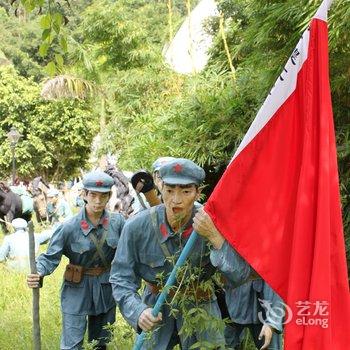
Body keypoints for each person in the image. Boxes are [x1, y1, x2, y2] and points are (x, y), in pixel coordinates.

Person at [110, 158, 226, 349]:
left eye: (186, 191)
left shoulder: (213, 223)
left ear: (198, 192)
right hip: (156, 307)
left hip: (200, 304)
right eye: (170, 190)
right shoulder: (137, 227)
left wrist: (215, 237)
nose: (176, 199)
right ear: (160, 189)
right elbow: (121, 278)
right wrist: (138, 312)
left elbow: (238, 275)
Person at [27, 171, 125, 350]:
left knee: (101, 343)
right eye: (93, 195)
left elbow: (128, 255)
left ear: (109, 196)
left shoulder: (118, 223)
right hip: (76, 289)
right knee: (72, 345)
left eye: (103, 196)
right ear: (84, 195)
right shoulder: (68, 227)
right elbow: (50, 257)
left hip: (105, 287)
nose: (97, 201)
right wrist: (39, 272)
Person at [193, 208, 282, 350]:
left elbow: (275, 280)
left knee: (269, 344)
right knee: (227, 343)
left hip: (262, 305)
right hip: (232, 303)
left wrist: (272, 322)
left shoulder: (269, 234)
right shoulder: (224, 225)